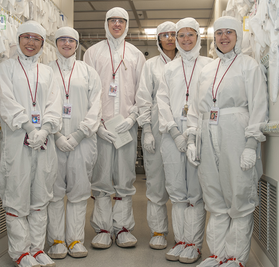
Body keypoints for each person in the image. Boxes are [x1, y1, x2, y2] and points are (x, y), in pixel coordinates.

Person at [186, 16, 268, 267]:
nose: (223, 37)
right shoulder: (207, 69)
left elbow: (259, 106)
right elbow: (195, 109)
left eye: (229, 33)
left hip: (236, 132)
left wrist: (251, 145)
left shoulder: (249, 65)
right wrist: (191, 139)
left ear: (237, 36)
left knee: (239, 195)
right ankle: (217, 254)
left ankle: (235, 258)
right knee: (214, 196)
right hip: (207, 133)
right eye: (219, 32)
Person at [0, 20, 61, 267]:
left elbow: (54, 104)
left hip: (43, 143)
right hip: (17, 141)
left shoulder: (47, 72)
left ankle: (36, 248)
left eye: (36, 39)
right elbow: (6, 101)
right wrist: (29, 127)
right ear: (19, 39)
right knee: (16, 195)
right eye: (27, 37)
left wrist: (44, 130)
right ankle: (20, 252)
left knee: (40, 196)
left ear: (42, 44)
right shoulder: (7, 68)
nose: (31, 43)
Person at [83, 7, 146, 249]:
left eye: (121, 21)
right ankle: (102, 229)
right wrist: (95, 123)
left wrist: (132, 119)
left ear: (127, 24)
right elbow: (88, 90)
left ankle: (122, 228)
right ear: (106, 23)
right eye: (112, 21)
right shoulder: (92, 53)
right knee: (100, 176)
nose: (117, 25)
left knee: (125, 176)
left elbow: (142, 92)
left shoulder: (136, 55)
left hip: (126, 126)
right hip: (100, 126)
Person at [157, 17, 211, 264]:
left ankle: (194, 244)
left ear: (198, 37)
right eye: (181, 36)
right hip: (172, 134)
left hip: (199, 133)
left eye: (190, 34)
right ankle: (181, 241)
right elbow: (162, 102)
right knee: (177, 189)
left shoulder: (209, 65)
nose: (186, 40)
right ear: (175, 40)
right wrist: (174, 132)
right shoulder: (169, 69)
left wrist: (190, 134)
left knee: (195, 191)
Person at [46, 27, 102, 259]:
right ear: (55, 43)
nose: (67, 44)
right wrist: (57, 135)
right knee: (55, 192)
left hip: (83, 141)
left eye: (71, 41)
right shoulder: (46, 71)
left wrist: (79, 134)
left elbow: (96, 105)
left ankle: (76, 240)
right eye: (62, 40)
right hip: (53, 141)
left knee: (79, 192)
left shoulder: (88, 72)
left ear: (77, 44)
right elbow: (41, 105)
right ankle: (57, 240)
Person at [135, 21, 179, 250]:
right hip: (156, 125)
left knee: (184, 183)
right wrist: (148, 131)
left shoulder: (188, 63)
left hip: (181, 127)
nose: (170, 39)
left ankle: (184, 236)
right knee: (156, 181)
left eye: (174, 34)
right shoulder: (150, 65)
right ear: (158, 39)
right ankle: (159, 231)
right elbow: (143, 98)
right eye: (165, 35)